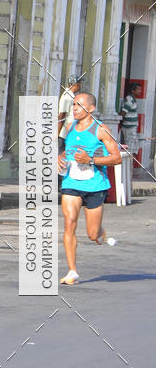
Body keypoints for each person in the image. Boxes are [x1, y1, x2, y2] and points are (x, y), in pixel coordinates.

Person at [58, 92, 121, 285]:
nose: (74, 108)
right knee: (69, 222)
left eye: (79, 105)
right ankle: (72, 271)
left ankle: (100, 232)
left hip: (94, 185)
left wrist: (90, 160)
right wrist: (59, 157)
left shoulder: (101, 129)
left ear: (91, 109)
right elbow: (64, 149)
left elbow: (117, 157)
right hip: (71, 182)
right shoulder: (69, 127)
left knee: (92, 235)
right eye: (74, 105)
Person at [58, 73, 85, 152]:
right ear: (75, 84)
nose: (80, 85)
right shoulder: (67, 97)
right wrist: (56, 133)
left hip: (68, 133)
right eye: (79, 83)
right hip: (63, 134)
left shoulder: (71, 96)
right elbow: (62, 115)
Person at [119, 82, 141, 157]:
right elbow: (123, 113)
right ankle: (129, 166)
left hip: (131, 128)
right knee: (131, 149)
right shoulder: (130, 100)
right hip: (128, 128)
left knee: (134, 148)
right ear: (132, 90)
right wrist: (121, 124)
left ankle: (130, 166)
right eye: (138, 89)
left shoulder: (133, 100)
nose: (140, 91)